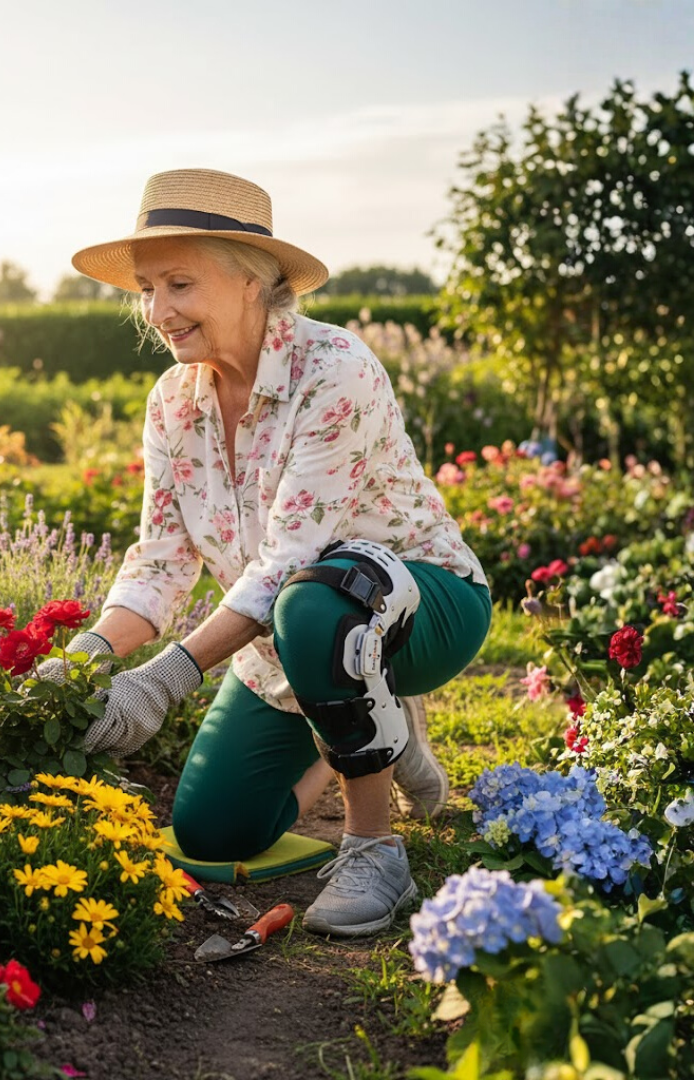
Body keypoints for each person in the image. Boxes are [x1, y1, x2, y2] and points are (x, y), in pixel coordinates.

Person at [63, 168, 491, 937]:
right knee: (214, 832)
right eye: (148, 288)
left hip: (424, 604)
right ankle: (372, 726)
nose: (158, 311)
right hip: (296, 636)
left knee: (319, 597)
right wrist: (84, 660)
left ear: (253, 281)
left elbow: (291, 558)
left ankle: (373, 849)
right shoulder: (172, 402)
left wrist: (164, 680)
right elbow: (161, 563)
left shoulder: (335, 370)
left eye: (180, 284)